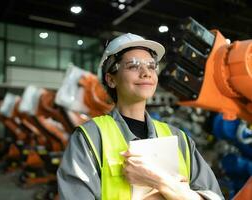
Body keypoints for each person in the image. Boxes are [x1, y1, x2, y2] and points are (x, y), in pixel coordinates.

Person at [57, 33, 224, 200]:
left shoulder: (179, 140)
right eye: (133, 66)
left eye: (151, 66)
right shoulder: (90, 139)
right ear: (111, 79)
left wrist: (162, 183)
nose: (146, 73)